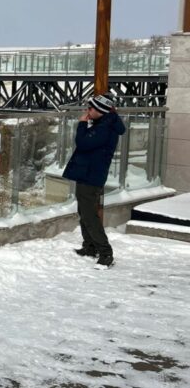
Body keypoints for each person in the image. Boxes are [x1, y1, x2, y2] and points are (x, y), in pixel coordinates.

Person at [62, 93, 126, 268]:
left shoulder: (105, 127)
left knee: (90, 215)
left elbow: (82, 143)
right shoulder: (103, 123)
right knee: (84, 212)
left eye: (90, 108)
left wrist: (82, 124)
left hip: (91, 176)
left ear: (101, 110)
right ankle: (89, 247)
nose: (87, 110)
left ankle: (105, 253)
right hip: (87, 173)